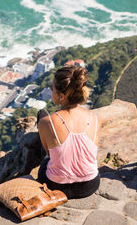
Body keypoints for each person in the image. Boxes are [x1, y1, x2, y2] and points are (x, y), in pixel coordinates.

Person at [37, 65, 100, 199]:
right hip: (89, 185)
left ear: (61, 96)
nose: (51, 90)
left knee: (42, 116)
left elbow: (49, 153)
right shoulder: (95, 118)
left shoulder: (47, 122)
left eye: (52, 88)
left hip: (56, 186)